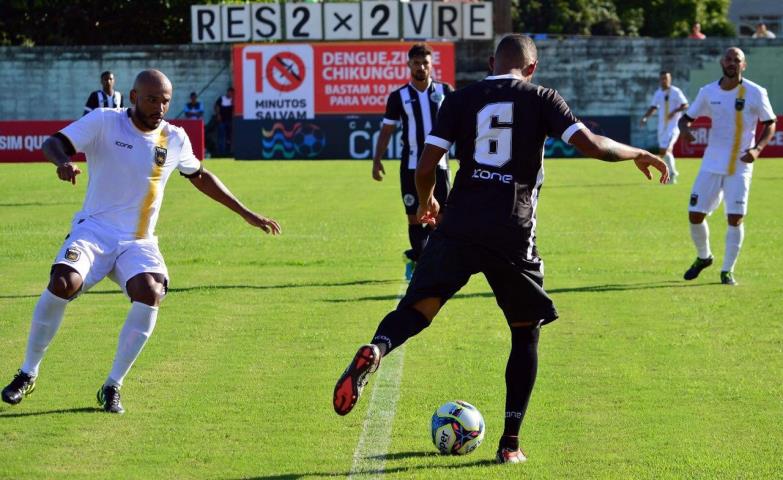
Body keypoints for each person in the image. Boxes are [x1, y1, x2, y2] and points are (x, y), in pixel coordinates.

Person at [333, 34, 668, 465]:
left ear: (492, 62)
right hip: (512, 229)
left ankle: (376, 349)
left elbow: (426, 164)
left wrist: (428, 201)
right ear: (532, 67)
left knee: (418, 309)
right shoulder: (543, 97)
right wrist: (638, 152)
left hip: (459, 224)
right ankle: (510, 444)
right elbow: (594, 146)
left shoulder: (460, 98)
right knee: (525, 331)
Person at [1, 70, 281, 414]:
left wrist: (247, 214)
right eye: (152, 99)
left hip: (138, 241)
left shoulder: (175, 138)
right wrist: (63, 162)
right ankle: (28, 373)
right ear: (133, 97)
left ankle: (113, 385)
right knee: (62, 282)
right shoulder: (105, 121)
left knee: (150, 293)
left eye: (165, 100)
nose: (159, 106)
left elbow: (201, 176)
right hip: (94, 231)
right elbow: (54, 142)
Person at [678, 47, 776, 285]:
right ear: (722, 62)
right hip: (712, 163)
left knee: (735, 218)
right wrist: (684, 131)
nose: (732, 63)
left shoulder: (755, 92)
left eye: (737, 60)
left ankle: (727, 270)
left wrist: (757, 149)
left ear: (744, 65)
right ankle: (704, 257)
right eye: (729, 59)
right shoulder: (708, 92)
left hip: (740, 165)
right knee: (695, 215)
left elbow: (770, 123)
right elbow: (685, 119)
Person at [372, 43, 454, 280]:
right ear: (409, 64)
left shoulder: (445, 91)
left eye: (425, 63)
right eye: (416, 63)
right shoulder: (399, 97)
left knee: (439, 220)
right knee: (416, 218)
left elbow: (460, 125)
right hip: (411, 166)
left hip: (440, 166)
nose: (420, 67)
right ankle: (418, 258)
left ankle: (425, 260)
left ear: (431, 65)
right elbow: (387, 130)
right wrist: (377, 160)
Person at [640, 71, 689, 184]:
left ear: (670, 79)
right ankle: (672, 172)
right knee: (662, 152)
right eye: (662, 78)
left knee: (667, 149)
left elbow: (685, 104)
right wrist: (645, 118)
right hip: (662, 127)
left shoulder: (676, 91)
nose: (664, 81)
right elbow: (653, 107)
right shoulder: (658, 93)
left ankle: (672, 174)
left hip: (673, 126)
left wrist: (674, 112)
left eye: (666, 78)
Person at [214, 87, 235, 155]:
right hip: (222, 121)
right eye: (229, 92)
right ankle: (221, 152)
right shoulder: (222, 98)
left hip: (229, 121)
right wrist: (218, 115)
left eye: (232, 93)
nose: (230, 94)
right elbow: (216, 106)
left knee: (229, 137)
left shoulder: (233, 100)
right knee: (221, 136)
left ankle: (228, 151)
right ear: (227, 92)